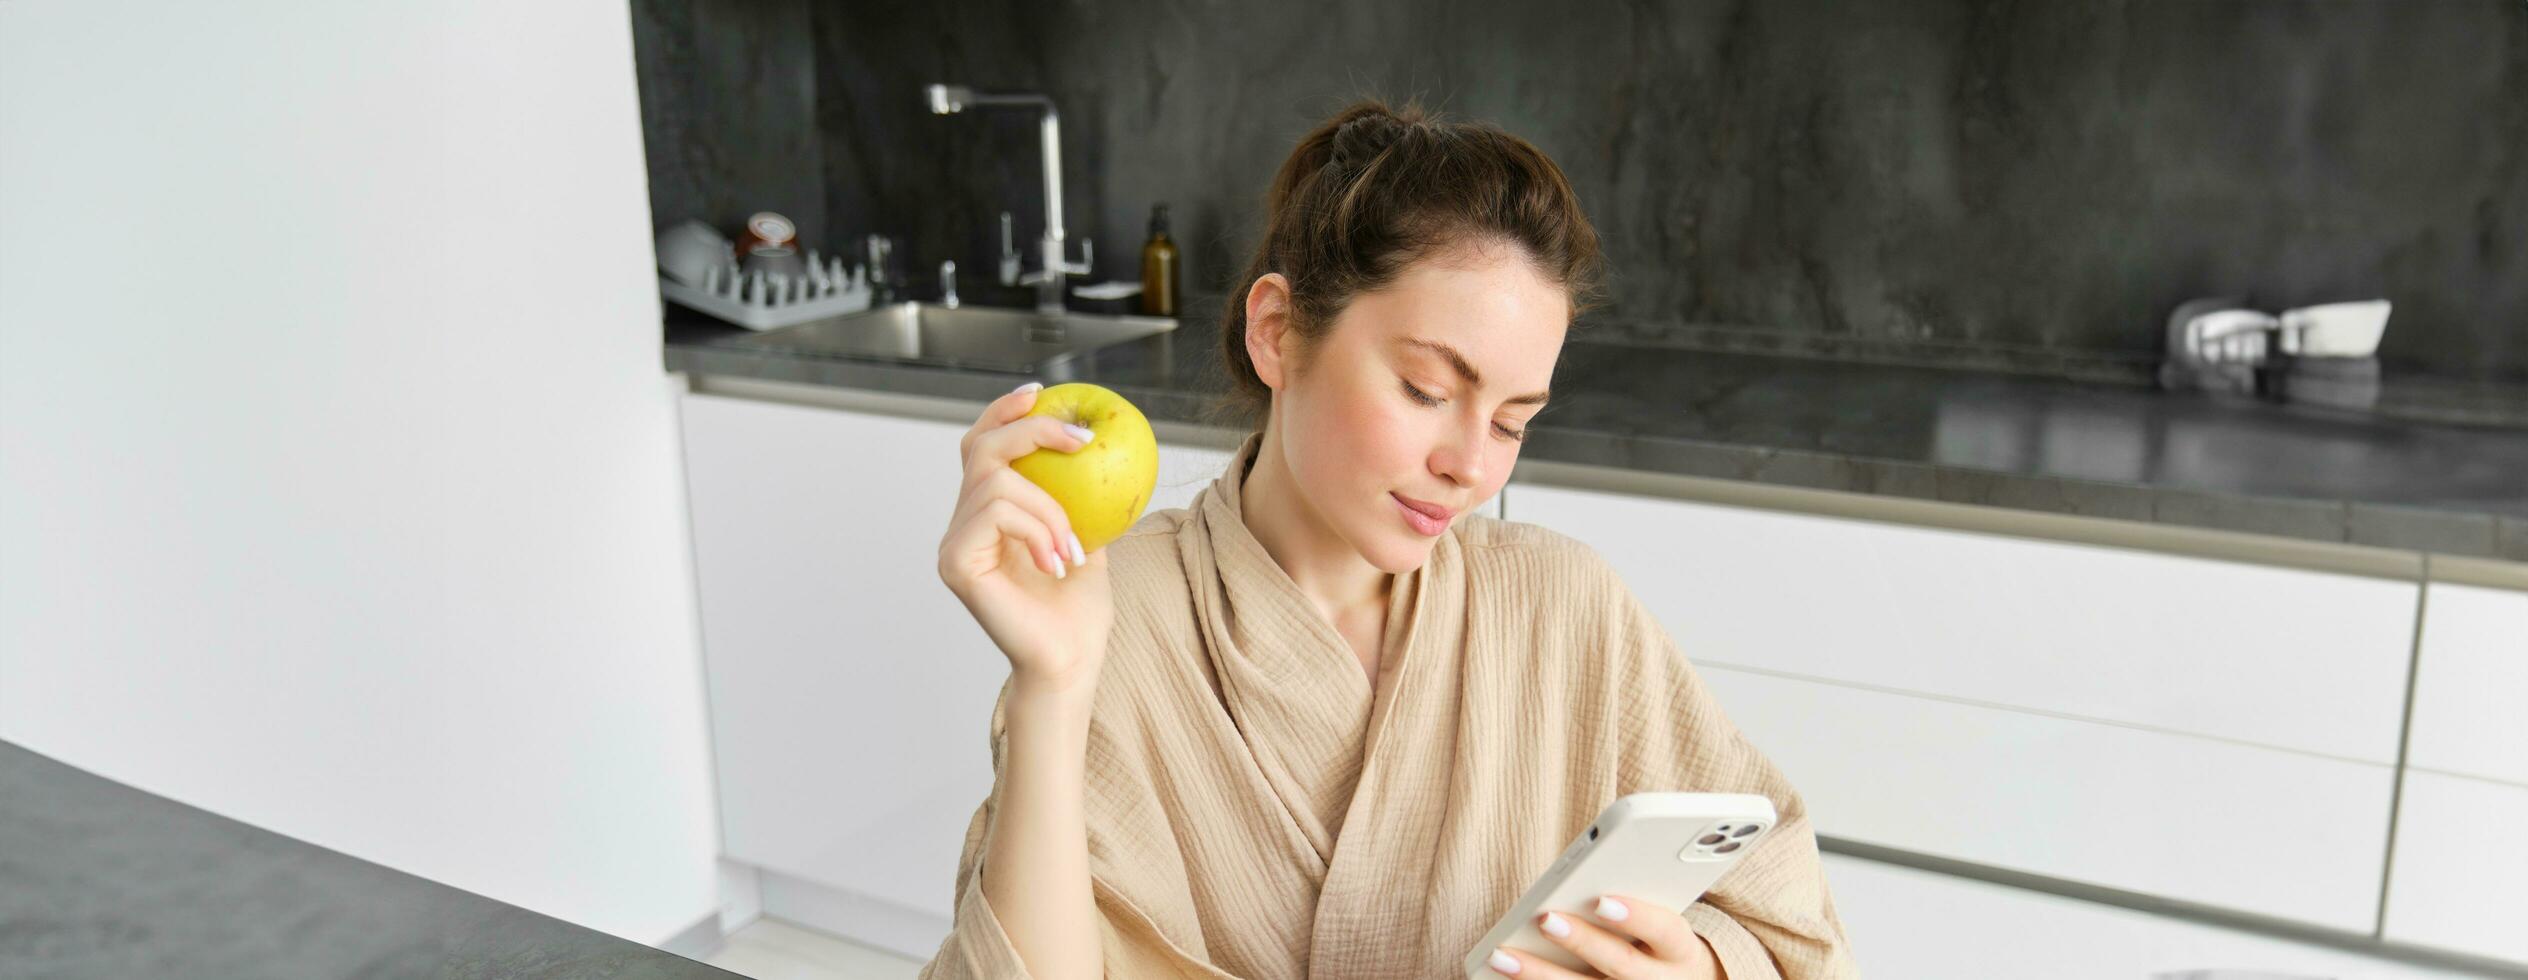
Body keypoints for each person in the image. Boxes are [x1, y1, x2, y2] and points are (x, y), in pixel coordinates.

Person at [925, 97, 1857, 980]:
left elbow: (1785, 916)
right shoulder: (1111, 616)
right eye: (1426, 389)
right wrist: (1052, 688)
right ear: (1278, 332)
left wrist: (1692, 963)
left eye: (1511, 423)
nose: (1470, 467)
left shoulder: (1563, 604)